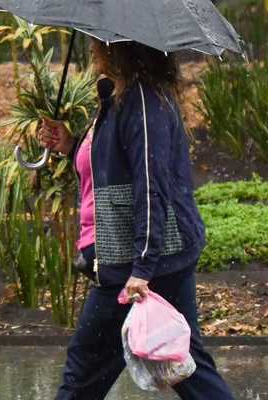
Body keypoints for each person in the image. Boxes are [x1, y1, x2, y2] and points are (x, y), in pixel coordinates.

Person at [38, 39, 234, 400]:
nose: (93, 49)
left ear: (118, 48)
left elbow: (150, 185)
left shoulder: (143, 102)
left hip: (137, 265)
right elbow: (115, 166)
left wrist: (142, 269)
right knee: (185, 364)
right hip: (133, 259)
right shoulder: (120, 96)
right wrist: (71, 145)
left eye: (98, 44)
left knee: (85, 371)